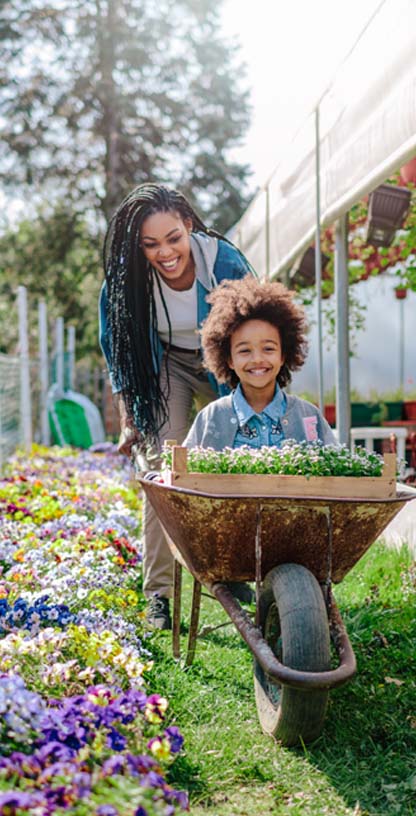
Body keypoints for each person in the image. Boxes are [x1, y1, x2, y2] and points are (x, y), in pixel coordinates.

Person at [99, 183, 254, 629]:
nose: (165, 252)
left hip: (221, 361)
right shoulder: (127, 281)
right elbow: (118, 350)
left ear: (188, 225)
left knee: (240, 454)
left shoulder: (223, 262)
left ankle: (231, 569)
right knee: (163, 468)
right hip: (164, 364)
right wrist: (131, 419)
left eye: (172, 238)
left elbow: (259, 326)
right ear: (138, 245)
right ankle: (158, 596)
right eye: (150, 244)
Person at [184, 276, 337, 451]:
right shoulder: (211, 417)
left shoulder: (308, 417)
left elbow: (335, 471)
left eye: (268, 349)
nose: (257, 359)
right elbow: (183, 471)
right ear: (229, 360)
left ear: (283, 355)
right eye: (244, 350)